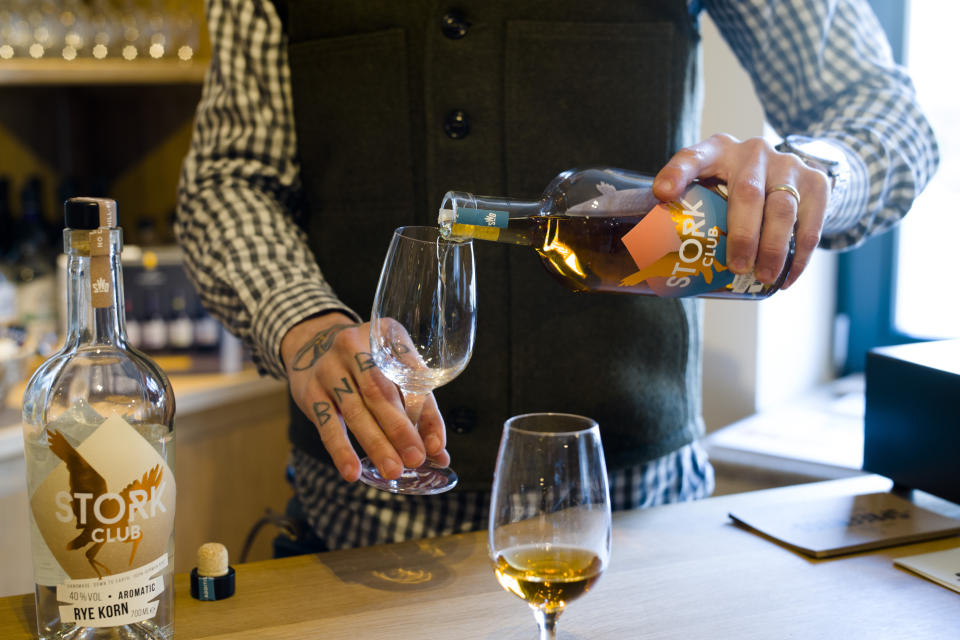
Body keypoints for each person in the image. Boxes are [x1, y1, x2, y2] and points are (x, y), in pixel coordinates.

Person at [176, 0, 938, 551]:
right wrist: (305, 323)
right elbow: (226, 182)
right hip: (360, 531)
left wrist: (813, 176)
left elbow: (886, 113)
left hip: (633, 526)